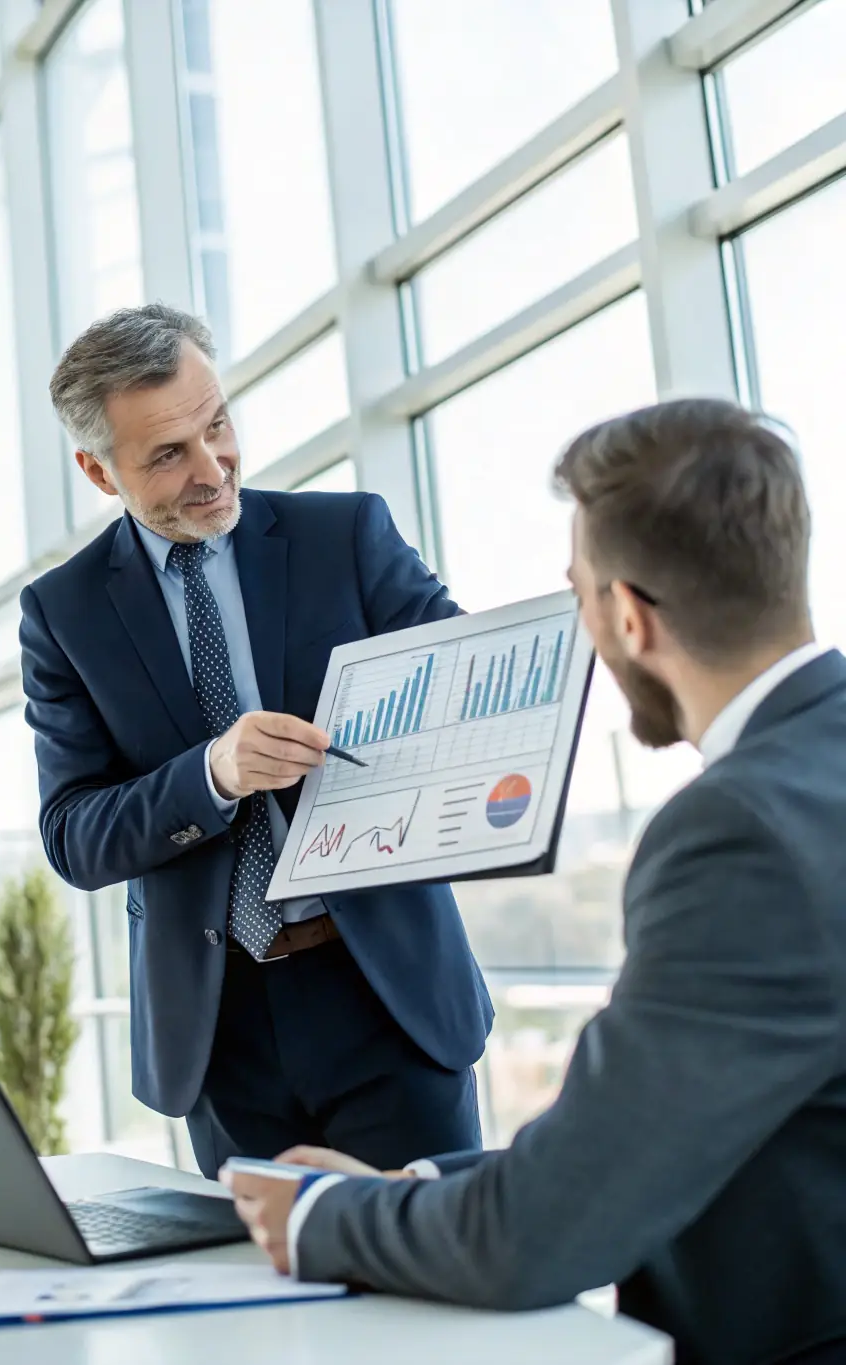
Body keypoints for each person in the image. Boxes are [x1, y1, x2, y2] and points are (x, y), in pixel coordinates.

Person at [225, 398, 846, 1365]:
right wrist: (415, 1186)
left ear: (628, 615)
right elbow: (672, 1128)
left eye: (578, 595)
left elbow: (544, 1235)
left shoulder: (738, 835)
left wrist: (319, 1216)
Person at [19, 303, 491, 1179]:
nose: (212, 468)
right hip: (219, 1030)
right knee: (257, 1272)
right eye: (168, 454)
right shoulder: (64, 615)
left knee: (430, 1257)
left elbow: (464, 684)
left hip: (387, 995)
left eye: (217, 425)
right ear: (97, 469)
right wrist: (212, 773)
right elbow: (74, 836)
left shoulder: (345, 537)